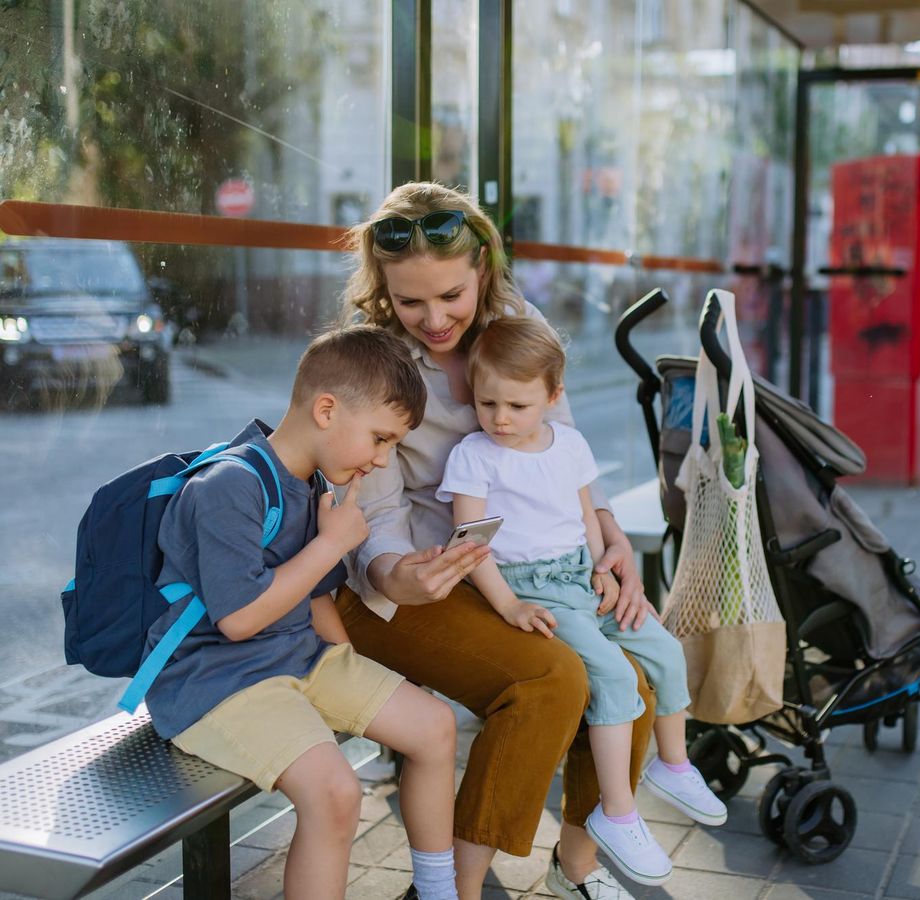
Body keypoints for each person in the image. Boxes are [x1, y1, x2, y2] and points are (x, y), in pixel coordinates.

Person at [334, 181, 660, 900]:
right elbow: (375, 513)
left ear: (482, 268)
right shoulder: (373, 362)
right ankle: (457, 886)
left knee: (629, 682)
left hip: (528, 568)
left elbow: (562, 443)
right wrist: (395, 576)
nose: (435, 318)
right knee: (549, 682)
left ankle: (577, 861)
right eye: (411, 302)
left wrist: (607, 537)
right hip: (408, 581)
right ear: (383, 289)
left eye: (451, 295)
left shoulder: (516, 321)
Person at [144, 325, 460, 900]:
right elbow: (239, 620)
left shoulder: (313, 482)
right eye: (380, 439)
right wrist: (332, 542)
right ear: (326, 409)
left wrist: (351, 676)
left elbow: (316, 597)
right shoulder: (228, 486)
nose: (382, 460)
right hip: (217, 680)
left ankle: (441, 892)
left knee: (434, 726)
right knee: (336, 794)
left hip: (297, 658)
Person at [436, 316, 726, 886]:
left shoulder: (570, 444)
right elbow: (471, 546)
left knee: (664, 651)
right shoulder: (475, 455)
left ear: (553, 395)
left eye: (517, 406)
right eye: (487, 402)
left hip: (579, 577)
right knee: (615, 678)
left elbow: (586, 515)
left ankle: (674, 764)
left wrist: (607, 570)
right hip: (530, 587)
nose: (499, 418)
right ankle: (617, 811)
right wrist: (508, 607)